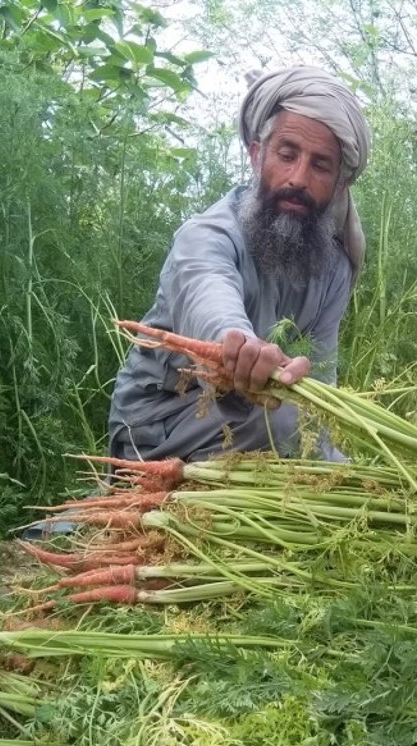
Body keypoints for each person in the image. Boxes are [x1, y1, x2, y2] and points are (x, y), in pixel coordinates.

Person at [107, 65, 371, 463]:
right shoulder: (207, 235)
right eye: (286, 154)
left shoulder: (334, 269)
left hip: (259, 414)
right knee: (287, 427)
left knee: (318, 441)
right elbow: (207, 295)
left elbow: (320, 379)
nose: (298, 178)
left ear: (339, 184)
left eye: (320, 165)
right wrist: (238, 344)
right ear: (256, 155)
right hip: (160, 424)